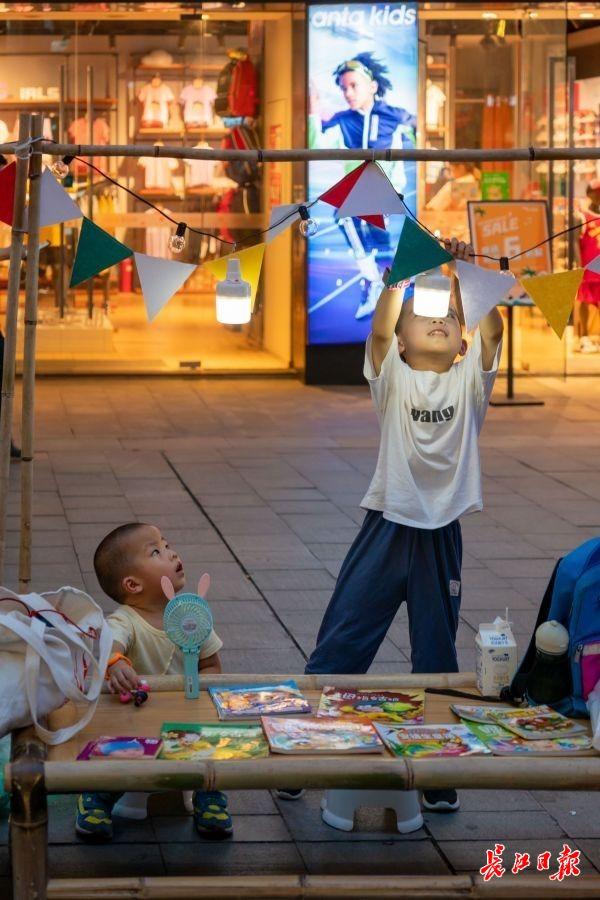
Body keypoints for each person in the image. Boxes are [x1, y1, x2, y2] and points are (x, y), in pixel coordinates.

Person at [294, 239, 504, 813]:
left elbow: (493, 335)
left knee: (436, 656)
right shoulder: (393, 379)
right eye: (424, 315)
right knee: (344, 638)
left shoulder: (469, 382)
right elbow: (381, 333)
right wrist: (401, 278)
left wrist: (466, 275)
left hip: (442, 536)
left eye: (449, 318)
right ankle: (300, 751)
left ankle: (435, 769)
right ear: (405, 342)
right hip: (387, 526)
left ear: (461, 339)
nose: (437, 321)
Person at [75, 522, 232, 841]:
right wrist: (116, 663)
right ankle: (98, 794)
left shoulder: (192, 615)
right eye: (157, 551)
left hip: (183, 719)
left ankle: (209, 794)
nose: (171, 552)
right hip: (137, 716)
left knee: (216, 739)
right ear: (132, 584)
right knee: (111, 744)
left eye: (167, 544)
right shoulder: (126, 620)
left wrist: (202, 692)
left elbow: (212, 665)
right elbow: (111, 644)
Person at [309, 52, 417, 320]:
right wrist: (313, 112)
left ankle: (380, 282)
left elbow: (417, 139)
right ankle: (380, 281)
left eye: (353, 85)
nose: (348, 93)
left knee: (357, 224)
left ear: (372, 86)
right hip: (359, 189)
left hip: (390, 190)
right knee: (354, 224)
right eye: (344, 87)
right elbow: (315, 145)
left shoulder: (397, 116)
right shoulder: (342, 119)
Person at [574, 180, 600, 353]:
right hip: (588, 267)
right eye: (596, 192)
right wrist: (577, 264)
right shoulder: (583, 215)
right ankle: (584, 337)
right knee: (584, 300)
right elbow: (575, 242)